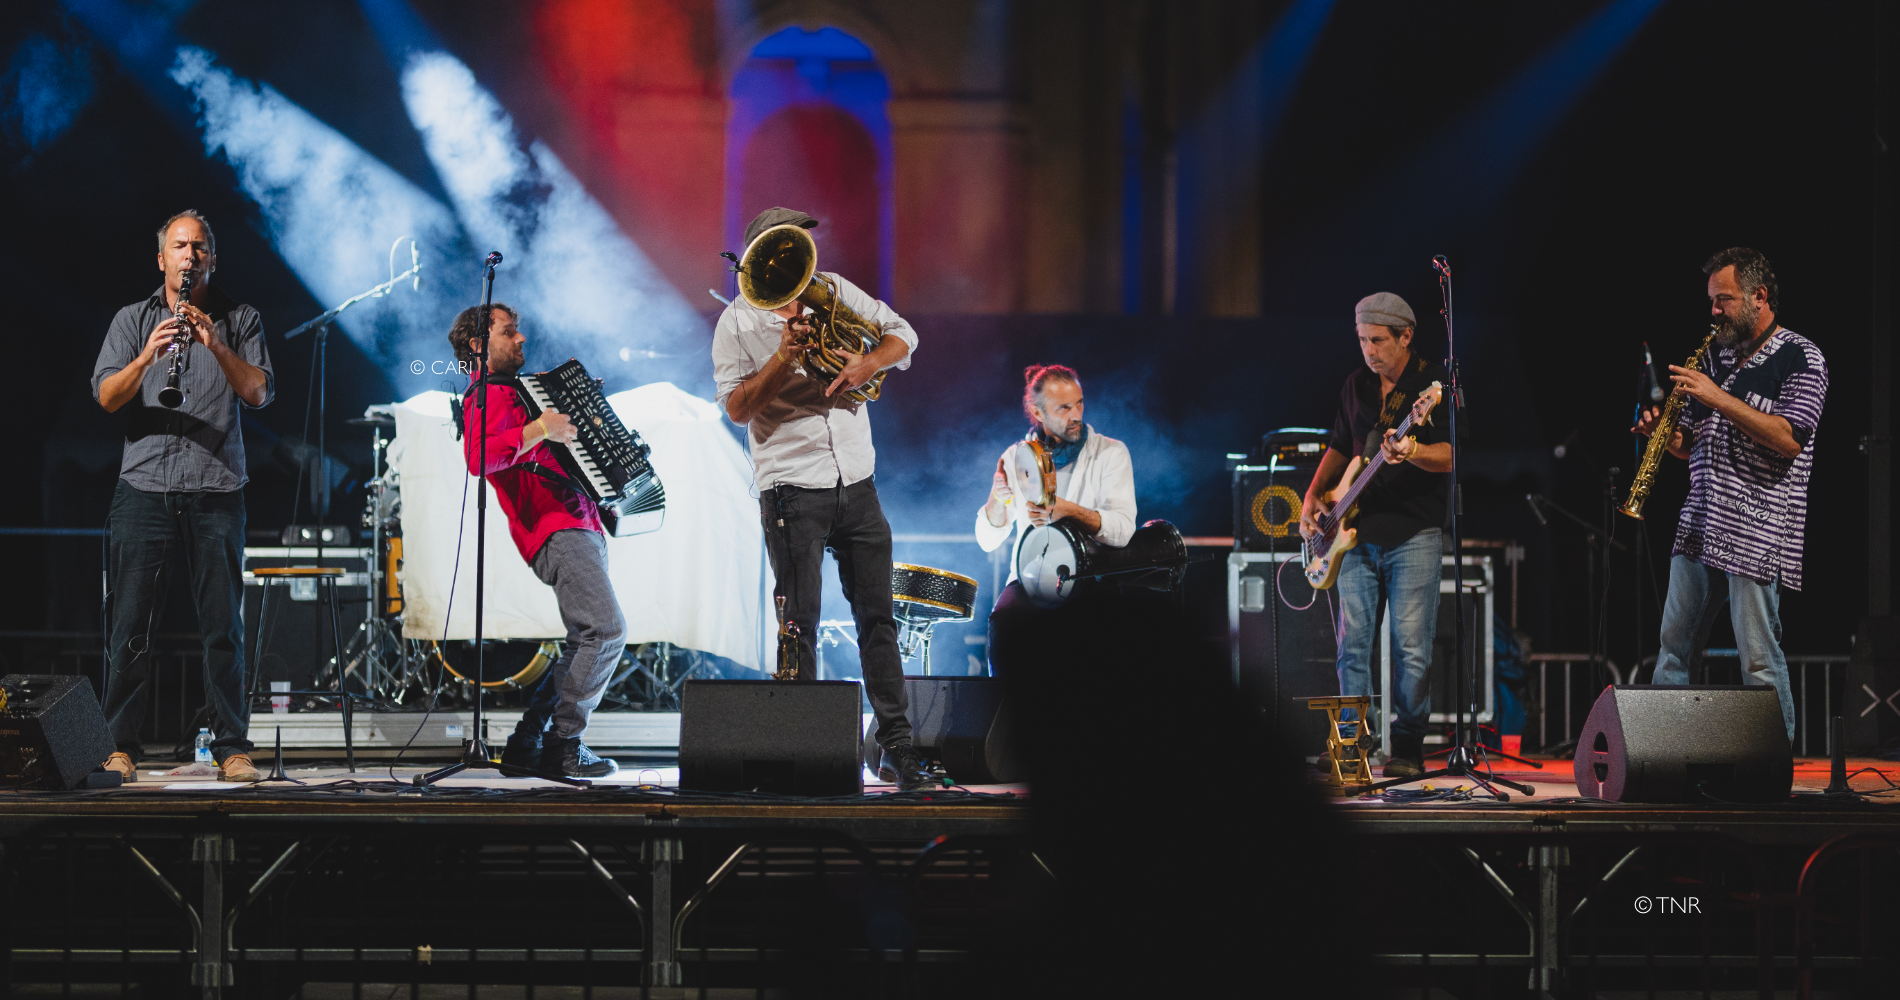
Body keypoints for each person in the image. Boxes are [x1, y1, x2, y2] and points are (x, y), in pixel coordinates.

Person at [712, 206, 936, 790]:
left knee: (878, 621)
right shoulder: (737, 322)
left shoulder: (831, 291)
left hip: (857, 482)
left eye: (801, 248)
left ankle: (898, 750)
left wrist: (866, 363)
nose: (799, 261)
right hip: (792, 488)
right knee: (800, 626)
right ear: (760, 256)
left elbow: (904, 334)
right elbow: (736, 408)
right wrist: (785, 358)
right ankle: (804, 754)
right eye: (786, 251)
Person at [92, 210, 274, 783]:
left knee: (222, 627)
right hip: (143, 486)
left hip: (216, 487)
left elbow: (259, 392)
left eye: (199, 247)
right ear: (162, 259)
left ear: (212, 259)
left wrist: (215, 345)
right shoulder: (132, 318)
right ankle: (119, 744)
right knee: (130, 625)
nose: (190, 255)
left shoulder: (240, 318)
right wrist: (149, 355)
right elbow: (107, 397)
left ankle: (232, 747)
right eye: (179, 246)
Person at [1635, 248, 1825, 743]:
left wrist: (1717, 395)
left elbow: (1789, 438)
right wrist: (1669, 438)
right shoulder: (1716, 355)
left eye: (1725, 300)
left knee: (1758, 654)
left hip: (1756, 527)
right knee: (1674, 647)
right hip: (1700, 519)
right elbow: (1695, 441)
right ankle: (1663, 756)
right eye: (1712, 301)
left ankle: (1773, 766)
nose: (1714, 311)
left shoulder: (1801, 356)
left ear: (1759, 297)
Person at [452, 303, 623, 779]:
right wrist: (541, 427)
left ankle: (527, 742)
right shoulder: (485, 396)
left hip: (578, 522)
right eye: (510, 332)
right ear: (479, 344)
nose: (522, 338)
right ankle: (564, 744)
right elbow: (479, 456)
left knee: (582, 640)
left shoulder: (520, 394)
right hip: (554, 526)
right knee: (606, 631)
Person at [1299, 292, 1450, 779]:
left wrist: (1413, 452)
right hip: (1354, 535)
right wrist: (1312, 496)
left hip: (1414, 532)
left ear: (1406, 336)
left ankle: (1407, 746)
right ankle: (1350, 745)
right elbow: (1342, 446)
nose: (1369, 350)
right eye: (1362, 339)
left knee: (1411, 647)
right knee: (1353, 644)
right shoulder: (1356, 385)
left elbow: (1453, 454)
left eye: (1378, 340)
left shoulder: (1433, 384)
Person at [976, 365, 1138, 673]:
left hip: (1091, 580)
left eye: (1079, 403)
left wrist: (1065, 510)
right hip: (1031, 582)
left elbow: (1122, 532)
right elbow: (987, 540)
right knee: (1004, 622)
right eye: (1064, 408)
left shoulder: (1110, 453)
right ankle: (1006, 714)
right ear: (1037, 412)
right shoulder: (1015, 456)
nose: (1076, 414)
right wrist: (997, 497)